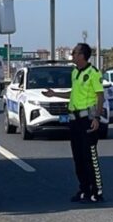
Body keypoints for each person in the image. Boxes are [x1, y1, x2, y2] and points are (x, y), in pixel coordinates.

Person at [43, 43, 106, 203]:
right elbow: (73, 94)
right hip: (74, 120)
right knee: (78, 158)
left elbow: (100, 96)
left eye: (75, 53)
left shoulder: (93, 73)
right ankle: (83, 189)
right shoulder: (75, 73)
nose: (72, 55)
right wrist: (54, 94)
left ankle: (97, 191)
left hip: (88, 120)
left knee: (90, 156)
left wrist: (97, 118)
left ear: (82, 55)